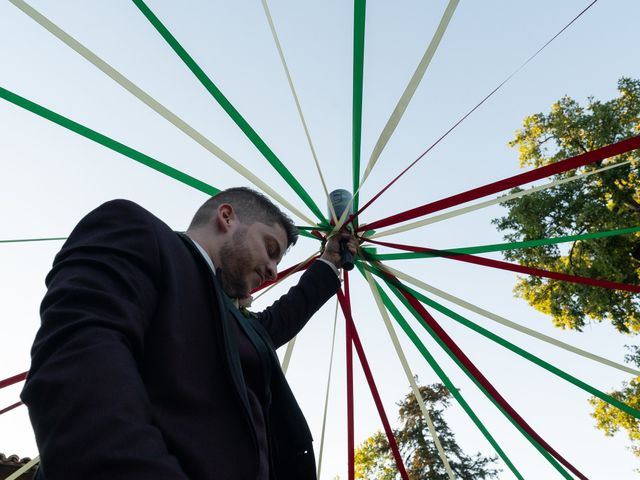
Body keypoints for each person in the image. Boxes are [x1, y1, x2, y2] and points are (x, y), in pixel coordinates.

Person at [21, 187, 357, 480]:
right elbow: (79, 369)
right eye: (270, 248)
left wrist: (328, 261)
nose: (273, 269)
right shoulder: (138, 233)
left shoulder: (240, 323)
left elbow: (281, 319)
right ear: (227, 217)